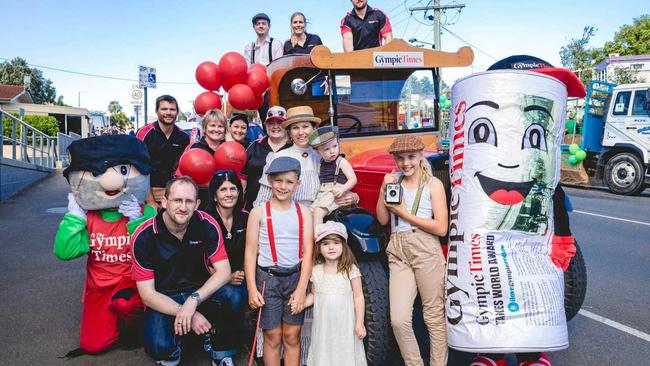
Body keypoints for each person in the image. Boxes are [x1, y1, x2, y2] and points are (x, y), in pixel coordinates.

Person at [54, 135, 157, 356]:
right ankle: (114, 322)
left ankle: (134, 328)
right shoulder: (88, 217)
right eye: (97, 172)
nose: (112, 181)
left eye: (122, 170)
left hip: (133, 283)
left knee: (125, 304)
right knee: (94, 346)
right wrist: (75, 218)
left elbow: (154, 250)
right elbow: (65, 252)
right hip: (98, 287)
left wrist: (136, 222)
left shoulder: (144, 212)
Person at [131, 176, 232, 366]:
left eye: (189, 201)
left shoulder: (206, 224)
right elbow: (147, 295)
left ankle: (221, 351)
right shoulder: (143, 236)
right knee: (158, 346)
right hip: (165, 298)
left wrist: (193, 301)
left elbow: (224, 272)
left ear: (197, 204)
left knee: (234, 295)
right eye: (177, 200)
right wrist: (187, 312)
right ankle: (176, 345)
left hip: (200, 294)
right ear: (164, 201)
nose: (183, 207)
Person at [376, 135, 448, 366]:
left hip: (426, 247)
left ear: (420, 157)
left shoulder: (433, 184)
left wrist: (405, 214)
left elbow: (441, 227)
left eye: (410, 157)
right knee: (398, 319)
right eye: (400, 159)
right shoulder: (394, 182)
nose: (405, 163)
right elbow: (382, 218)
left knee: (433, 317)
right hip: (397, 249)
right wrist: (383, 189)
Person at [245, 156, 314, 366]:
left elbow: (309, 251)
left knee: (292, 336)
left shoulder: (303, 213)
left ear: (298, 184)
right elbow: (250, 252)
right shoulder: (258, 213)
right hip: (268, 281)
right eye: (278, 181)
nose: (283, 187)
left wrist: (302, 288)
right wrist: (251, 288)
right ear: (269, 181)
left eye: (289, 182)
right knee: (272, 336)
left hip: (295, 278)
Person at [303, 221, 367, 366]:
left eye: (336, 243)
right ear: (319, 248)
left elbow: (358, 296)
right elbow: (314, 295)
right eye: (325, 244)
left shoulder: (350, 269)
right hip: (324, 327)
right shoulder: (316, 270)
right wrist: (301, 303)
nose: (331, 247)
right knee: (325, 355)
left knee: (344, 355)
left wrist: (359, 323)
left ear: (343, 246)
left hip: (345, 326)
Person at [205, 170, 250, 364]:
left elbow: (253, 251)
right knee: (233, 295)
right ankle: (221, 352)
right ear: (214, 195)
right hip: (209, 281)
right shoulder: (204, 219)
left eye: (233, 188)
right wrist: (225, 276)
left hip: (242, 277)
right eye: (223, 189)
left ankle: (244, 341)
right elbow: (198, 258)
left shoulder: (246, 217)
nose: (229, 193)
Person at [136, 95, 190, 209]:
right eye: (164, 109)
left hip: (174, 191)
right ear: (157, 111)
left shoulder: (184, 137)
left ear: (177, 112)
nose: (168, 112)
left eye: (172, 109)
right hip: (148, 191)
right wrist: (150, 200)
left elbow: (184, 168)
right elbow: (138, 168)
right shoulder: (144, 133)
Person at [242, 106, 292, 211]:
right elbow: (243, 177)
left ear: (286, 126)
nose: (275, 126)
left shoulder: (293, 148)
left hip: (286, 208)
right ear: (265, 125)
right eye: (271, 123)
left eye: (279, 122)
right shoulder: (254, 146)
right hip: (254, 206)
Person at [309, 125, 358, 228]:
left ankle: (318, 237)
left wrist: (343, 189)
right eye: (327, 149)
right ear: (318, 152)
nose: (332, 151)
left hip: (336, 192)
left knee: (318, 212)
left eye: (335, 146)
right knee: (310, 212)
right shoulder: (321, 163)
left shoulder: (341, 162)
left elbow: (353, 179)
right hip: (323, 193)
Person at [190, 109, 228, 210]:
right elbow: (187, 178)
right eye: (212, 125)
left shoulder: (228, 149)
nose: (216, 129)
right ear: (205, 128)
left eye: (220, 126)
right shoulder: (195, 149)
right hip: (201, 202)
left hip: (225, 203)